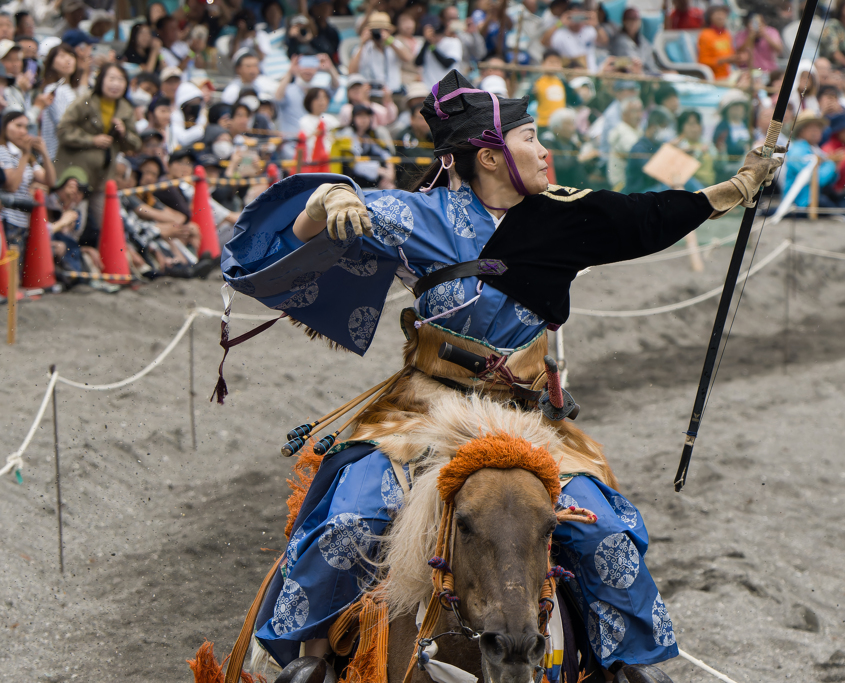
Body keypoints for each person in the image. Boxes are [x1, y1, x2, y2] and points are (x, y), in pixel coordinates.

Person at [220, 67, 782, 676]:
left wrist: (738, 187)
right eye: (530, 140)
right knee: (353, 519)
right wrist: (324, 204)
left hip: (523, 419)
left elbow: (650, 217)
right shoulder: (419, 217)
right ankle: (311, 663)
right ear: (489, 157)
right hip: (426, 408)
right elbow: (296, 232)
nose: (545, 152)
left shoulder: (564, 216)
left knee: (605, 536)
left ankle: (628, 666)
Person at [56, 62, 142, 244]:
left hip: (104, 178)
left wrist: (124, 132)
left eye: (120, 79)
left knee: (107, 224)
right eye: (111, 78)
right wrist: (91, 140)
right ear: (101, 80)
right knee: (74, 222)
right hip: (76, 174)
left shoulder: (126, 108)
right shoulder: (85, 100)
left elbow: (135, 144)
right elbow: (63, 130)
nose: (115, 84)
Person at [784, 110, 845, 211]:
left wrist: (835, 165)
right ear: (801, 131)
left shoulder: (815, 150)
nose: (817, 132)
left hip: (815, 197)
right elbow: (817, 179)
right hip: (801, 202)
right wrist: (832, 163)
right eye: (812, 128)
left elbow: (830, 182)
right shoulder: (797, 151)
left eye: (818, 128)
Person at [0, 110, 54, 250]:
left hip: (23, 222)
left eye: (26, 127)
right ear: (5, 127)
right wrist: (25, 155)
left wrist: (44, 153)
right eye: (18, 126)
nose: (23, 132)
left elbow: (50, 181)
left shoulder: (27, 157)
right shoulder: (2, 151)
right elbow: (11, 186)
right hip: (7, 218)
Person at [276, 53, 339, 137]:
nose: (308, 70)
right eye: (304, 65)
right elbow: (277, 98)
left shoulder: (319, 91)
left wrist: (330, 68)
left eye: (312, 66)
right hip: (291, 143)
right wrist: (290, 72)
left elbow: (335, 86)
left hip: (314, 144)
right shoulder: (288, 90)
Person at [350, 12, 411, 94]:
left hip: (393, 92)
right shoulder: (364, 47)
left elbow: (407, 58)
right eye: (376, 30)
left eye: (383, 29)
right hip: (371, 94)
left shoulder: (394, 44)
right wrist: (362, 44)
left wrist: (389, 40)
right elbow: (351, 71)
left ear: (388, 31)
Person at [39, 42, 78, 159]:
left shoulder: (70, 89)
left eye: (71, 55)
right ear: (51, 63)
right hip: (56, 154)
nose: (68, 60)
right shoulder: (53, 89)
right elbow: (62, 122)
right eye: (61, 56)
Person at [546, 1, 608, 72]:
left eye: (579, 15)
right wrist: (560, 23)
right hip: (570, 74)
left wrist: (596, 25)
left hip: (590, 73)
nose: (576, 20)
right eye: (573, 15)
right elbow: (544, 42)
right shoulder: (560, 33)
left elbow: (604, 41)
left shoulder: (590, 30)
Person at [540, 106, 592, 188]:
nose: (573, 128)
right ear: (556, 128)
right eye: (569, 125)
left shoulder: (573, 142)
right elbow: (559, 167)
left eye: (573, 124)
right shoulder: (547, 143)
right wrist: (578, 159)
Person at [624, 108, 673, 193]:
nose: (666, 131)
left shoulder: (658, 144)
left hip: (653, 189)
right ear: (653, 126)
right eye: (664, 127)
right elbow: (653, 172)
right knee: (670, 188)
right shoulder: (639, 148)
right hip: (639, 192)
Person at [712, 90, 751, 182]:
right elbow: (722, 148)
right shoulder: (722, 127)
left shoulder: (746, 125)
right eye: (735, 106)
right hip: (729, 166)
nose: (738, 109)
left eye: (740, 106)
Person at [417, 14, 465, 86]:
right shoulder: (426, 44)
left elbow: (446, 64)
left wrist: (433, 47)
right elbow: (418, 63)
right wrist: (428, 42)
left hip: (447, 88)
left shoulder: (453, 42)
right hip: (429, 87)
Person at [607, 97, 643, 190]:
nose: (639, 115)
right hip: (622, 187)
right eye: (634, 111)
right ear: (624, 114)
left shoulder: (637, 129)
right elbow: (640, 156)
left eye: (640, 111)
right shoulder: (622, 132)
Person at [610, 8, 659, 75]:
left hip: (645, 76)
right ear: (624, 22)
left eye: (635, 20)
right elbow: (632, 64)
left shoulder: (643, 41)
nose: (633, 24)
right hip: (626, 78)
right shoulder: (619, 41)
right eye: (630, 20)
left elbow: (651, 66)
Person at [299, 87, 340, 158]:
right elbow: (309, 143)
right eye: (317, 98)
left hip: (333, 158)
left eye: (324, 98)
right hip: (313, 159)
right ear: (309, 101)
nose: (321, 101)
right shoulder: (305, 120)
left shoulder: (332, 119)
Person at [697, 5, 736, 81]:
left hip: (729, 75)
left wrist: (737, 58)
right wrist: (721, 60)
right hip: (714, 77)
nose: (721, 16)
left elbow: (731, 54)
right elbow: (702, 61)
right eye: (718, 13)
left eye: (723, 14)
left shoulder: (726, 34)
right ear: (710, 17)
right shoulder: (705, 35)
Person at [678, 109, 715, 187]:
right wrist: (700, 152)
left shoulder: (706, 142)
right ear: (682, 127)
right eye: (690, 124)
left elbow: (719, 163)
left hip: (709, 184)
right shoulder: (680, 144)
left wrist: (722, 150)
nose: (695, 128)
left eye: (697, 123)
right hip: (690, 185)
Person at [532, 51, 569, 130]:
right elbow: (528, 98)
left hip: (560, 124)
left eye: (557, 62)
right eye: (551, 62)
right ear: (543, 63)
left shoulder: (562, 82)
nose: (554, 65)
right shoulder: (537, 81)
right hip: (544, 123)